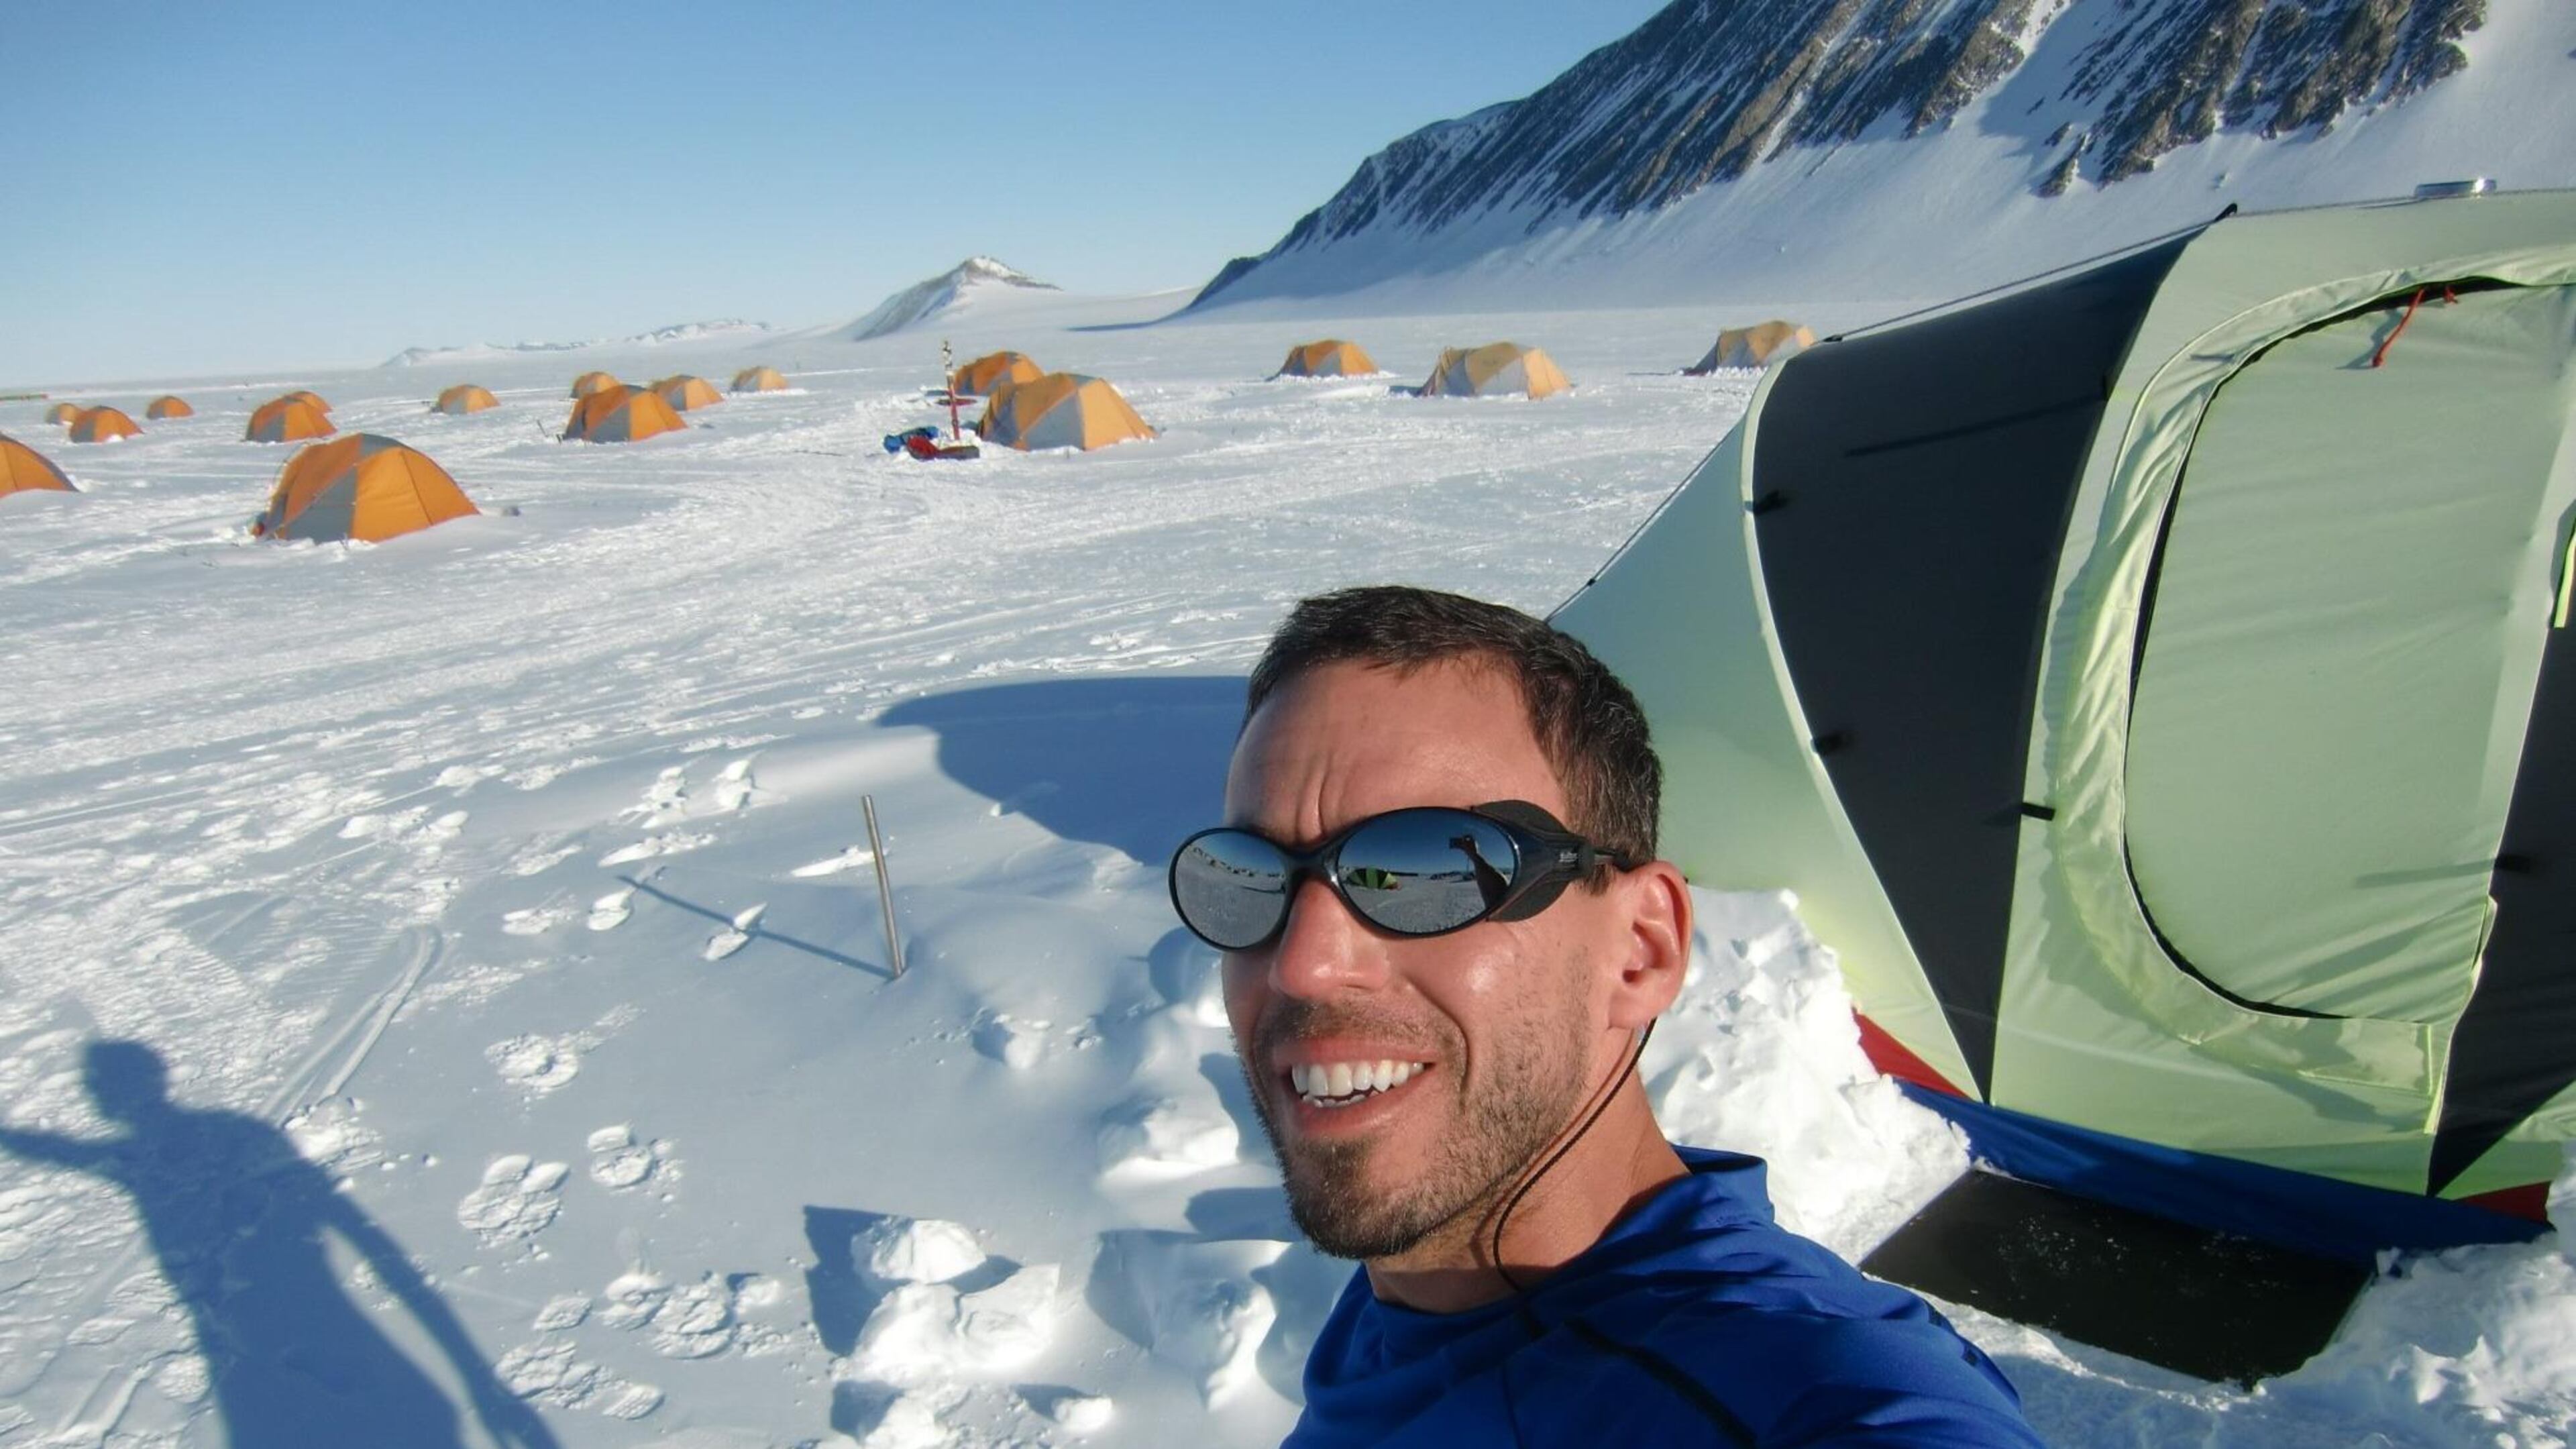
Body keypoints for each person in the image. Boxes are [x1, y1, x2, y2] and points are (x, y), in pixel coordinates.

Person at [1169, 586, 2044, 1447]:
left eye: (1430, 867)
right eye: (1250, 877)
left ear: (1640, 949)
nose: (1303, 962)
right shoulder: (1421, 1282)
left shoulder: (1803, 1393)